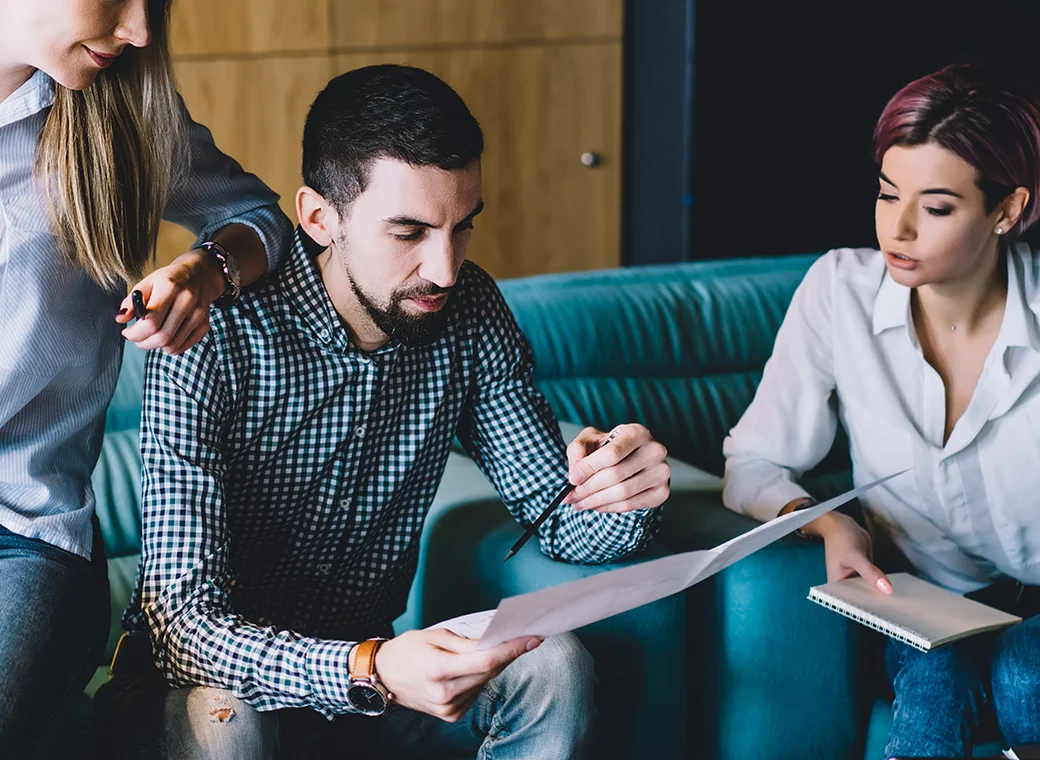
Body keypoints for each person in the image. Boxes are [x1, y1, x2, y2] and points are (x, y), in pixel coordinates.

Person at [95, 64, 672, 759]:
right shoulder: (211, 334)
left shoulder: (472, 313)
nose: (446, 268)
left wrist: (621, 492)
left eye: (462, 228)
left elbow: (559, 523)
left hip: (364, 701)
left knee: (554, 668)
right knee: (228, 722)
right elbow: (182, 631)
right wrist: (366, 668)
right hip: (203, 697)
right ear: (319, 217)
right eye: (410, 232)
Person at [722, 64, 1040, 758]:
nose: (896, 228)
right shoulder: (841, 293)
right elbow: (753, 461)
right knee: (934, 673)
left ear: (1007, 210)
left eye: (935, 207)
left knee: (1022, 675)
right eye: (886, 193)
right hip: (933, 603)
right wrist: (833, 526)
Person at [0, 0, 291, 752]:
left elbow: (261, 219)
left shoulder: (119, 114)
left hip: (26, 537)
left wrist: (204, 270)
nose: (139, 31)